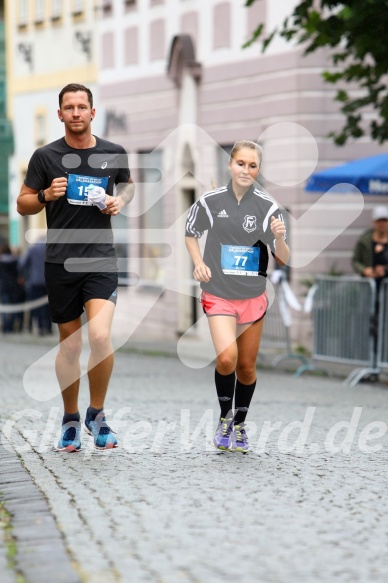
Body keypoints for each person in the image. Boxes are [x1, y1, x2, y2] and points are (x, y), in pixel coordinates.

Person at [17, 83, 134, 452]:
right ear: (60, 114)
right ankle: (70, 419)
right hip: (60, 262)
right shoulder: (45, 156)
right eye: (69, 107)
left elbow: (128, 185)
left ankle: (97, 416)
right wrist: (44, 196)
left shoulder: (113, 152)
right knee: (70, 347)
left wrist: (119, 200)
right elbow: (22, 204)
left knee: (100, 337)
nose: (77, 113)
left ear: (93, 112)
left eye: (83, 106)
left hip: (100, 258)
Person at [185, 140, 289, 453]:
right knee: (226, 358)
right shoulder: (210, 201)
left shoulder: (268, 207)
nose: (246, 170)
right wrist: (199, 262)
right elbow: (191, 233)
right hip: (219, 293)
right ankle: (224, 419)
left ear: (259, 170)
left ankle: (240, 425)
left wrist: (280, 239)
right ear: (230, 165)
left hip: (252, 296)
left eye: (252, 165)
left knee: (245, 367)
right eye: (240, 164)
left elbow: (282, 257)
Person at [352, 205, 388, 366]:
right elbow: (355, 261)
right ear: (374, 221)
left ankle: (383, 365)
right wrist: (365, 270)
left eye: (385, 221)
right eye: (380, 221)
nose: (382, 224)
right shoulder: (365, 239)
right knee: (369, 327)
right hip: (370, 290)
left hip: (385, 291)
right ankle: (370, 364)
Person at [18, 235, 52, 336]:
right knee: (49, 306)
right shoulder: (50, 249)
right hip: (49, 281)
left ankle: (41, 327)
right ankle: (49, 327)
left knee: (37, 306)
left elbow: (22, 264)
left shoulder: (32, 249)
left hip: (35, 281)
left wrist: (22, 276)